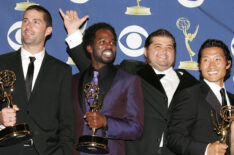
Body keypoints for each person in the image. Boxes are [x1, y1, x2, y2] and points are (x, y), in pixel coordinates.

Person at [59, 9, 198, 155]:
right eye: (158, 46)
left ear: (175, 53)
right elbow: (95, 69)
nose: (164, 52)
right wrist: (74, 32)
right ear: (145, 51)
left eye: (169, 47)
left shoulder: (190, 82)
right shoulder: (131, 70)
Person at [60, 10, 144, 155]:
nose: (109, 46)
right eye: (102, 42)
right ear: (89, 48)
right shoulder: (73, 81)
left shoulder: (129, 81)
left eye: (112, 42)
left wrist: (106, 122)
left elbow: (136, 129)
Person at [0, 5, 75, 155]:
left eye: (36, 21)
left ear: (48, 30)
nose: (28, 26)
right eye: (25, 20)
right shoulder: (2, 63)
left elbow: (67, 121)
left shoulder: (62, 71)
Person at [166, 39, 234, 155]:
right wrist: (206, 149)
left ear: (228, 64)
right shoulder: (190, 95)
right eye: (206, 60)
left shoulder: (232, 99)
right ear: (199, 66)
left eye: (217, 59)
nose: (211, 66)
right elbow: (173, 138)